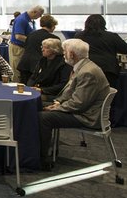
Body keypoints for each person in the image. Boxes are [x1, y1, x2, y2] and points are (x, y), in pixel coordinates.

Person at [38, 38, 111, 169]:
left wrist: (58, 108)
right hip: (84, 110)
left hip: (87, 116)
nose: (63, 54)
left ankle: (42, 158)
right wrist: (58, 102)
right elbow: (70, 90)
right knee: (41, 109)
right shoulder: (83, 67)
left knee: (43, 118)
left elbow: (79, 104)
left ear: (72, 54)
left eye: (65, 51)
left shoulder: (87, 72)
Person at [75, 14, 127, 87]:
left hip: (85, 69)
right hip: (108, 71)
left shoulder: (79, 36)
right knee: (107, 94)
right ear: (104, 24)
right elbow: (126, 49)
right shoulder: (111, 36)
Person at [16, 14, 58, 84]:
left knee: (23, 88)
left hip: (24, 64)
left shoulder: (31, 34)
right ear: (52, 25)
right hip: (37, 67)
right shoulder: (53, 39)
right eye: (55, 26)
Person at [27, 38, 71, 104]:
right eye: (42, 47)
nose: (42, 49)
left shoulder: (63, 63)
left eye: (46, 48)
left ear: (54, 50)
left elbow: (63, 85)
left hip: (51, 93)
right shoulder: (43, 60)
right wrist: (29, 87)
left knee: (31, 101)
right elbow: (34, 76)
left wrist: (42, 90)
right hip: (38, 89)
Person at [9, 5, 45, 82]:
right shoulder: (22, 20)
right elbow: (18, 36)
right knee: (17, 71)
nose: (40, 16)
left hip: (25, 48)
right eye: (40, 14)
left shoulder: (31, 20)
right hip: (18, 48)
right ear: (34, 12)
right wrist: (32, 40)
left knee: (24, 71)